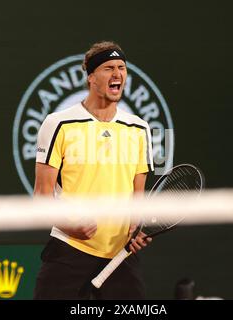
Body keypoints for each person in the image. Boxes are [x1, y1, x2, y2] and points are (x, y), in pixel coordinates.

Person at [33, 41, 154, 299]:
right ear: (91, 77)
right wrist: (70, 226)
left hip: (119, 258)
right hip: (69, 250)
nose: (117, 74)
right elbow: (41, 196)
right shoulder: (58, 124)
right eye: (109, 67)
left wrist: (136, 229)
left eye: (122, 68)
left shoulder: (139, 128)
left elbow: (137, 198)